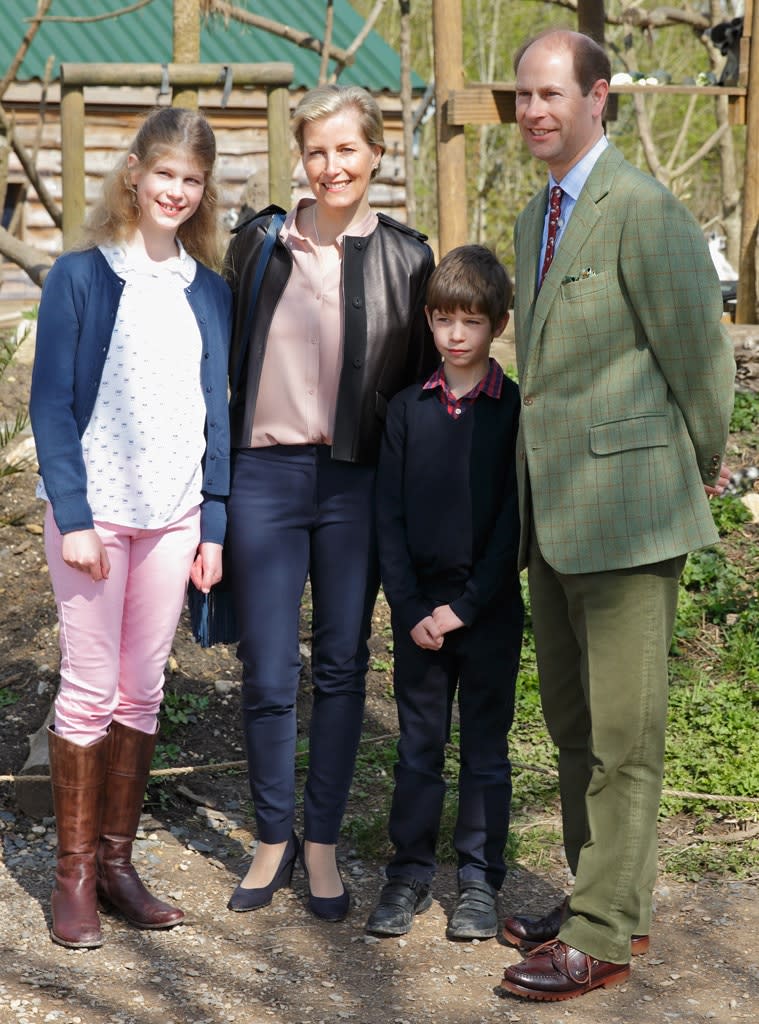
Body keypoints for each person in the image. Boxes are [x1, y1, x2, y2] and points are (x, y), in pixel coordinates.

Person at [496, 30, 735, 1001]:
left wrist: (698, 465)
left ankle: (603, 935)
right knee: (574, 724)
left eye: (552, 93)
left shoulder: (644, 209)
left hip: (632, 516)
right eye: (523, 96)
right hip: (552, 517)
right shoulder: (530, 219)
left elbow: (701, 362)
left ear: (599, 97)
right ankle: (607, 895)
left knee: (628, 735)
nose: (535, 111)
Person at [223, 84, 436, 922]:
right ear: (300, 159)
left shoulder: (407, 259)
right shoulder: (256, 245)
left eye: (347, 149)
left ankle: (320, 846)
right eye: (316, 151)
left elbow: (421, 392)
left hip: (355, 484)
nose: (331, 165)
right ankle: (271, 835)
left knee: (343, 666)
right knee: (268, 666)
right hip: (264, 478)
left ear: (375, 153)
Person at [29, 107, 232, 949]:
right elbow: (49, 404)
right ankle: (73, 875)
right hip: (95, 520)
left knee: (141, 692)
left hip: (174, 520)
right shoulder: (81, 277)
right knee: (87, 689)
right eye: (165, 175)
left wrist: (212, 525)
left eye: (192, 180)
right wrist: (71, 515)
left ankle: (117, 865)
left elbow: (218, 409)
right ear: (135, 176)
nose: (176, 192)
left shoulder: (209, 290)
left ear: (203, 191)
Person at [365, 245, 523, 941]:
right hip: (418, 616)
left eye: (472, 321)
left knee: (485, 748)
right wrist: (409, 611)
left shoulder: (514, 409)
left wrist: (467, 605)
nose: (456, 335)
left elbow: (516, 524)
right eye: (444, 320)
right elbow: (388, 519)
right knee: (418, 748)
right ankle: (407, 874)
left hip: (486, 611)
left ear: (497, 325)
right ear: (428, 321)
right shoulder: (406, 410)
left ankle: (478, 881)